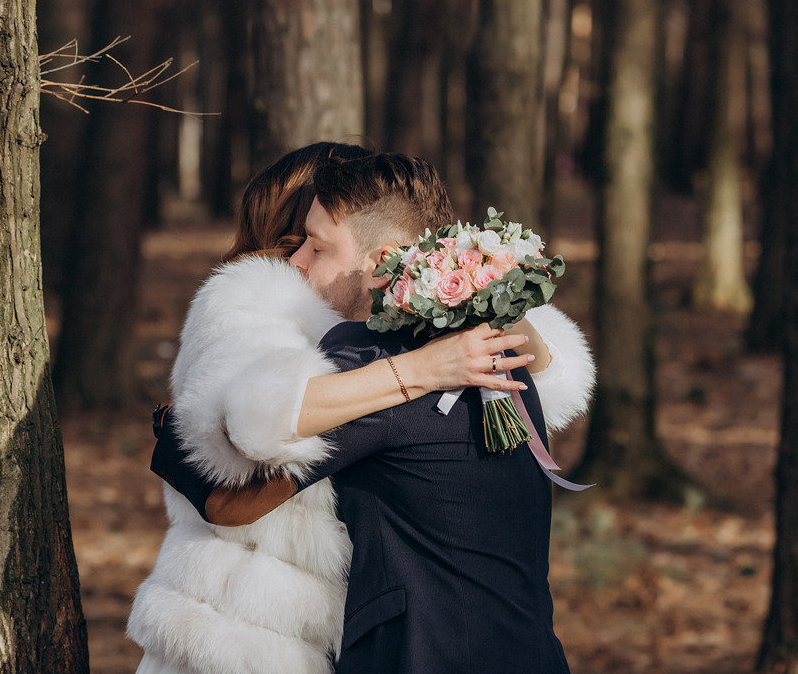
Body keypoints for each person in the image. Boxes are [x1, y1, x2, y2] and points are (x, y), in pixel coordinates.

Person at [128, 145, 594, 674]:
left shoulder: (379, 363)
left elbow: (232, 482)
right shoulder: (508, 360)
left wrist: (172, 433)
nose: (296, 263)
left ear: (382, 261)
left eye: (317, 246)